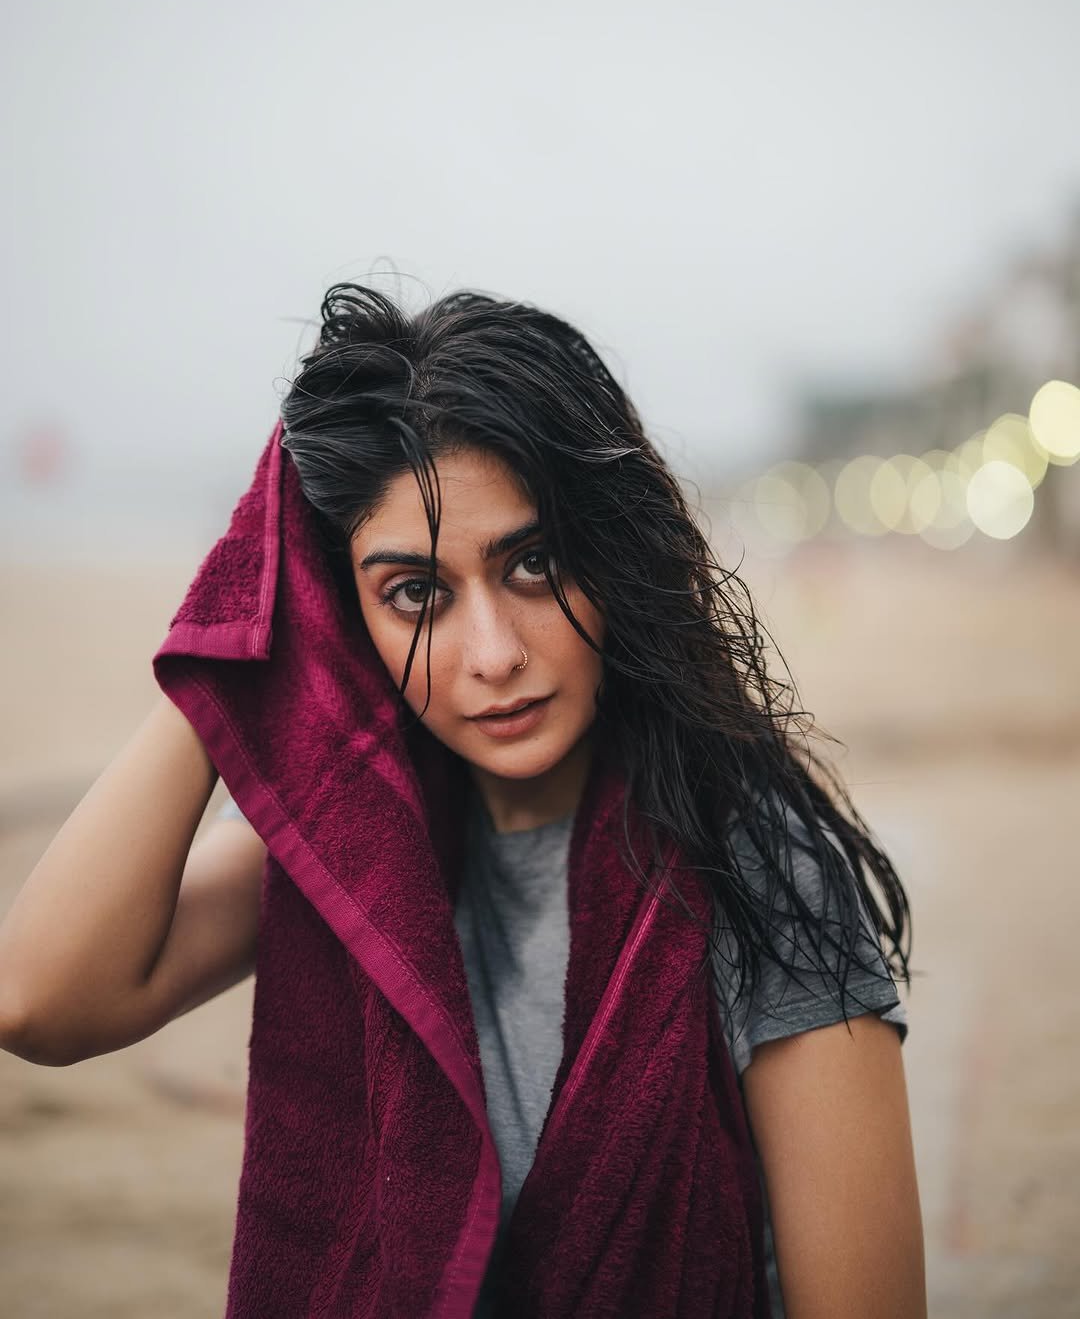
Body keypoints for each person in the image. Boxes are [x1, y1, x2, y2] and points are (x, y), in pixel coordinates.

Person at [0, 282, 925, 1317]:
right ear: (345, 614)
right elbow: (39, 998)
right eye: (416, 593)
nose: (493, 655)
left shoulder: (754, 858)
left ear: (611, 555)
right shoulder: (345, 847)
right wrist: (229, 652)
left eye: (534, 563)